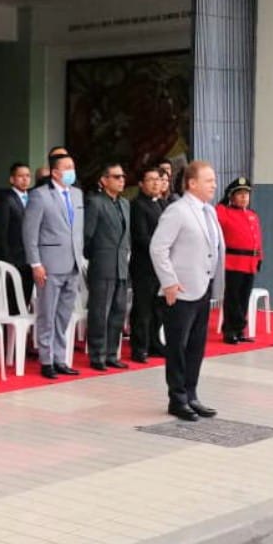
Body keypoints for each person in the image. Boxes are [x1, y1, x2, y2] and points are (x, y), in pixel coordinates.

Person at [150, 160, 224, 421]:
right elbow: (158, 248)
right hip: (180, 290)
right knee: (178, 347)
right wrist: (169, 281)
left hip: (203, 287)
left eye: (214, 180)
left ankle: (192, 394)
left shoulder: (209, 211)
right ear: (192, 183)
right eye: (208, 180)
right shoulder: (177, 211)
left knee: (196, 346)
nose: (214, 184)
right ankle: (177, 398)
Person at [23, 151, 84, 379]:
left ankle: (60, 357)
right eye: (67, 168)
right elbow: (30, 233)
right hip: (49, 264)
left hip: (73, 263)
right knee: (47, 314)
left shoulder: (77, 194)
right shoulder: (40, 196)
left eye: (73, 167)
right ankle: (46, 359)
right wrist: (35, 263)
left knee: (64, 315)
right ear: (56, 172)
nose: (71, 171)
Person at [84, 163, 131, 371]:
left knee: (118, 311)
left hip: (121, 264)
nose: (121, 180)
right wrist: (95, 256)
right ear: (104, 180)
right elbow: (87, 235)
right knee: (99, 312)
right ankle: (98, 354)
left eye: (123, 176)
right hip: (102, 263)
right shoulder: (95, 202)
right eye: (116, 176)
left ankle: (112, 353)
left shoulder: (125, 204)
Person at [216, 177, 264, 344]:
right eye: (240, 194)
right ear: (232, 197)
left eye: (247, 194)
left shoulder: (252, 215)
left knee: (244, 297)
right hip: (233, 262)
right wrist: (224, 200)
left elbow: (257, 239)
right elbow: (217, 213)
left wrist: (259, 257)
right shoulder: (225, 212)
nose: (244, 198)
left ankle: (239, 329)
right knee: (233, 298)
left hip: (249, 262)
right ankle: (229, 330)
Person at [129, 167, 166, 363]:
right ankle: (139, 347)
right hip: (144, 265)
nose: (155, 183)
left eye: (158, 180)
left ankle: (154, 343)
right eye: (150, 180)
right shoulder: (137, 205)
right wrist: (163, 245)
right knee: (142, 309)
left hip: (160, 266)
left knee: (158, 309)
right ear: (141, 184)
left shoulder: (161, 203)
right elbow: (141, 237)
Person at [0, 162, 34, 313]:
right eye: (20, 176)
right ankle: (11, 334)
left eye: (27, 176)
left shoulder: (33, 198)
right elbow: (2, 233)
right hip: (14, 258)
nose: (25, 179)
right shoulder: (6, 200)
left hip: (29, 259)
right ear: (12, 179)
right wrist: (7, 259)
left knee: (26, 297)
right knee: (13, 301)